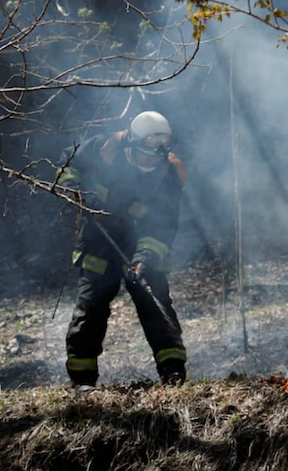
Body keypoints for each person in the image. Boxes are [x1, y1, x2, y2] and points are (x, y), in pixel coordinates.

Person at [55, 111, 188, 392]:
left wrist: (144, 259)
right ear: (131, 144)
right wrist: (70, 188)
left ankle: (173, 372)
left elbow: (163, 226)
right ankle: (82, 381)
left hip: (141, 243)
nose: (151, 162)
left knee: (156, 303)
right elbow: (68, 163)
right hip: (97, 239)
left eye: (157, 157)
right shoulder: (104, 148)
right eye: (146, 155)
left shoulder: (170, 173)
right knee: (90, 309)